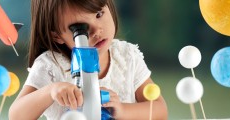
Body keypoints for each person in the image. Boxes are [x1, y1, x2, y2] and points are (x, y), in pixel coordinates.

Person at [9, 0, 168, 119]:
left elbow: (160, 110)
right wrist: (51, 91)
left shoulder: (126, 56)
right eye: (80, 29)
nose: (96, 30)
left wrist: (122, 110)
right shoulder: (50, 65)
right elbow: (16, 115)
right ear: (56, 35)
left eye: (99, 14)